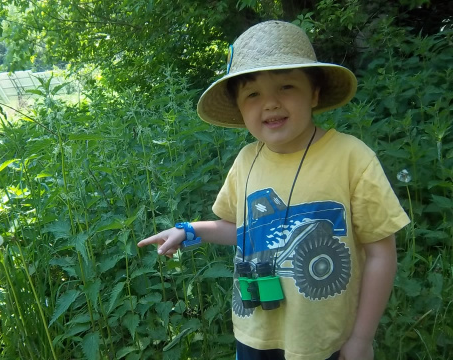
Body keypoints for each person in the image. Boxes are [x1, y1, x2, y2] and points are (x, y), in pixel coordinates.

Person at [137, 21, 410, 360]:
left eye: (286, 87)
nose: (270, 104)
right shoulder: (246, 159)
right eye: (253, 94)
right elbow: (240, 230)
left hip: (324, 340)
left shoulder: (351, 157)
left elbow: (381, 253)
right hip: (254, 333)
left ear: (314, 93)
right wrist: (188, 231)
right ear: (239, 107)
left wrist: (361, 339)